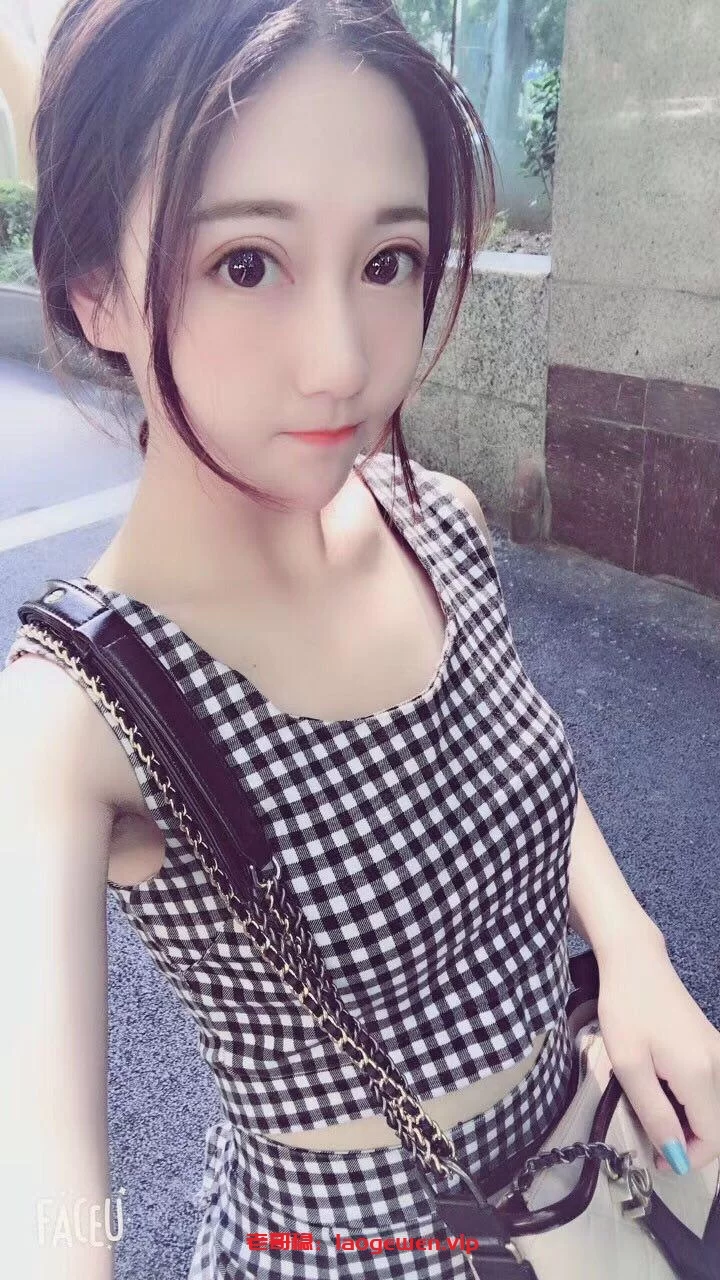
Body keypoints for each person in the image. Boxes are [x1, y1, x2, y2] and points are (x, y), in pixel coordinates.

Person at [3, 2, 719, 1278]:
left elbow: (509, 770)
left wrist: (634, 948)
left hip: (588, 1177)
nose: (341, 362)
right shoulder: (77, 715)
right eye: (246, 263)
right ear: (95, 290)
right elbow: (40, 1198)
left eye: (389, 259)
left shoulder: (433, 517)